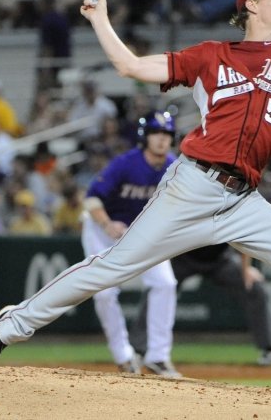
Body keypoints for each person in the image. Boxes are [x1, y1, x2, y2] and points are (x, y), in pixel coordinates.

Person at [0, 0, 271, 411]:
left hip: (244, 199)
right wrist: (100, 20)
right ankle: (10, 326)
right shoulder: (212, 56)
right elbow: (131, 67)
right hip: (193, 186)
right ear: (252, 6)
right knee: (112, 268)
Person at [81, 111, 180, 377]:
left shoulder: (173, 167)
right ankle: (124, 356)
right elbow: (91, 199)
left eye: (167, 134)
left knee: (165, 284)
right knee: (104, 293)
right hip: (104, 230)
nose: (162, 139)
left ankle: (158, 356)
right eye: (157, 133)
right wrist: (106, 224)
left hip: (141, 233)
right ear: (145, 137)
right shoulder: (126, 164)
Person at [129, 244, 271, 366]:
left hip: (220, 260)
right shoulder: (192, 202)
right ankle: (138, 350)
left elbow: (243, 239)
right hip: (183, 256)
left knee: (254, 288)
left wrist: (246, 270)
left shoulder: (229, 203)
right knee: (160, 288)